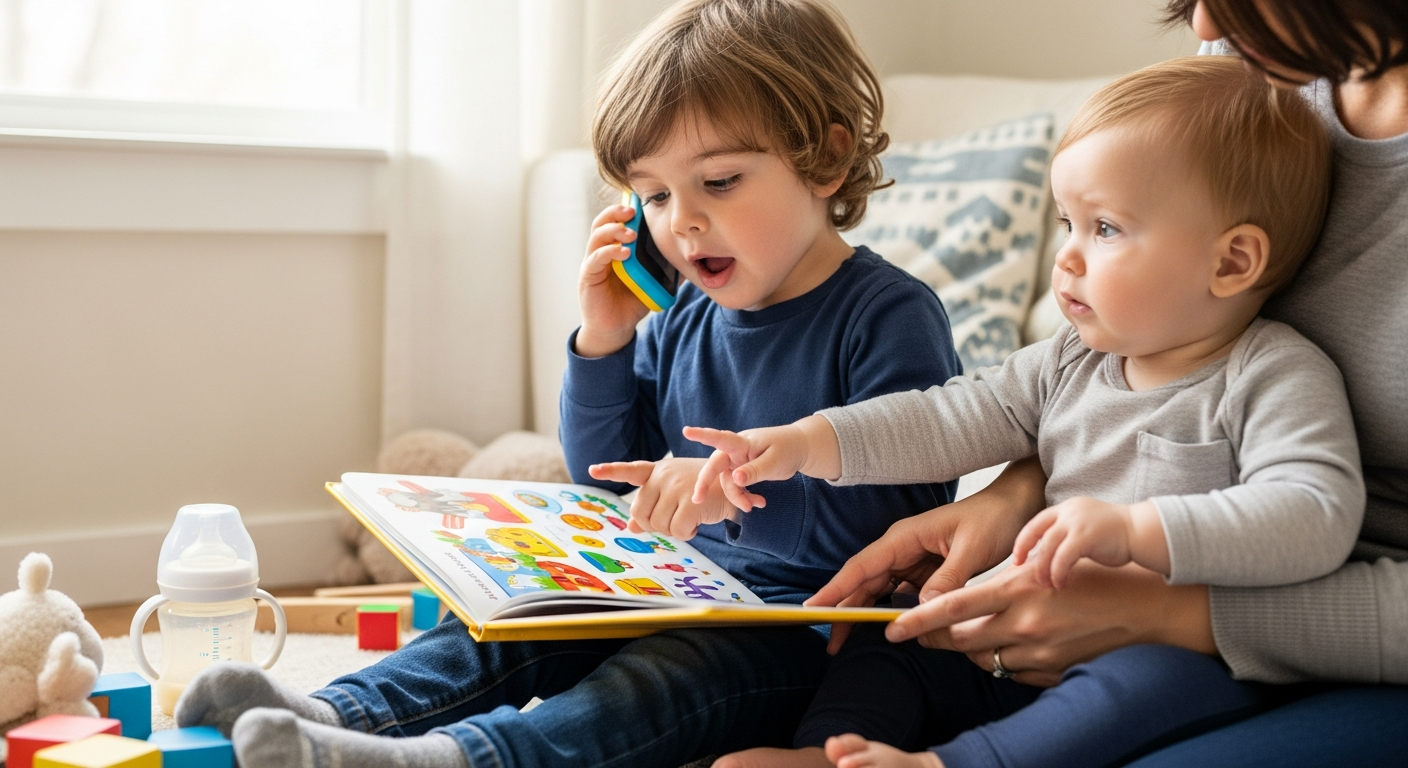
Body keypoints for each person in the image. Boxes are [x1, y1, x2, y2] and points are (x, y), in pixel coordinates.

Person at [169, 2, 961, 767]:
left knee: (651, 684)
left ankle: (457, 759)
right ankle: (341, 711)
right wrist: (604, 341)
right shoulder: (685, 315)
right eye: (653, 195)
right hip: (679, 588)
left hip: (807, 637)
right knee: (512, 621)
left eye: (718, 182)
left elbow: (897, 528)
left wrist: (733, 492)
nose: (679, 223)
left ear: (824, 160)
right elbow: (600, 477)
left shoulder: (889, 316)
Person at [690, 55, 1362, 768]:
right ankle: (831, 755)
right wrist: (805, 441)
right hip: (1026, 630)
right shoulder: (1072, 357)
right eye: (1066, 222)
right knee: (894, 633)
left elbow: (1315, 513)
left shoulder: (1274, 374)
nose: (1066, 259)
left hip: (1171, 656)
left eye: (1104, 229)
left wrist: (1137, 530)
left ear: (1232, 263)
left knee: (1146, 682)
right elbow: (949, 417)